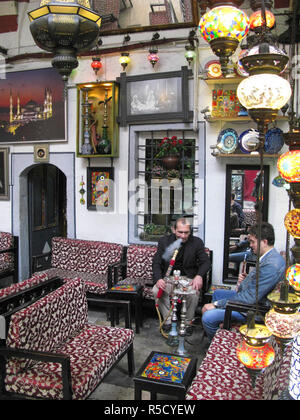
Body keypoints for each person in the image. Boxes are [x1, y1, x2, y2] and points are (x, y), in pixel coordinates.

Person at [201, 222, 285, 340]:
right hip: (251, 300)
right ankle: (223, 323)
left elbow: (250, 298)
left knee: (207, 317)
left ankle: (220, 342)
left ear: (264, 242)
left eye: (253, 242)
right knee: (217, 293)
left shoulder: (272, 265)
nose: (250, 245)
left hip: (254, 311)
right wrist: (248, 279)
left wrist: (217, 304)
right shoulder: (270, 257)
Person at [152, 217, 211, 335]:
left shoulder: (197, 242)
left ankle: (188, 322)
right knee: (156, 290)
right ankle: (167, 321)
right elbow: (156, 262)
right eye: (180, 232)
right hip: (169, 278)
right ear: (173, 230)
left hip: (188, 278)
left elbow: (206, 262)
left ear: (190, 231)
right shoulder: (164, 241)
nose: (183, 236)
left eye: (186, 232)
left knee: (194, 292)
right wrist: (159, 279)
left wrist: (199, 276)